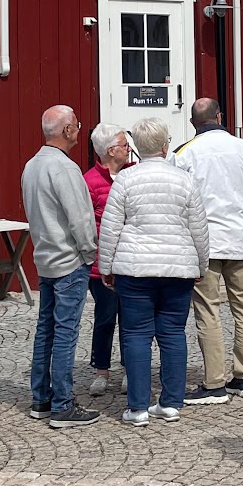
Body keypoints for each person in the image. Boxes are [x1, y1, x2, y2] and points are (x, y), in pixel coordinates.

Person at [97, 118, 210, 425]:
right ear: (164, 146)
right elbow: (199, 228)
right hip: (177, 267)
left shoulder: (125, 179)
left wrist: (106, 267)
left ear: (136, 147)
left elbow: (110, 227)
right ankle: (171, 403)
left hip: (135, 268)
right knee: (173, 334)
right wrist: (201, 264)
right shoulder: (184, 180)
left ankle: (137, 408)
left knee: (136, 335)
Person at [174, 97, 243, 404]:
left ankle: (214, 383)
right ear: (220, 117)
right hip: (240, 240)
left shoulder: (184, 153)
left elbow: (178, 201)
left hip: (204, 243)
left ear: (192, 123)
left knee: (207, 311)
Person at [21, 104, 99, 428]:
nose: (79, 130)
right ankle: (63, 404)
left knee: (46, 329)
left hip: (45, 257)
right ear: (67, 130)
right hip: (68, 260)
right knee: (65, 332)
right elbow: (80, 218)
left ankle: (41, 398)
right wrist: (90, 252)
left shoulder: (32, 165)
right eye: (76, 125)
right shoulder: (64, 168)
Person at [82, 123, 133, 397]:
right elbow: (84, 224)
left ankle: (129, 369)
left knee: (131, 318)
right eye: (124, 145)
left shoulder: (133, 175)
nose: (129, 149)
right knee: (104, 317)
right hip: (100, 265)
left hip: (130, 261)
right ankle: (101, 371)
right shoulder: (90, 181)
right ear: (111, 150)